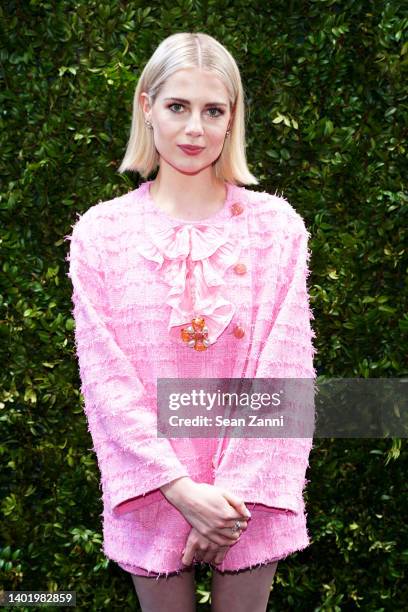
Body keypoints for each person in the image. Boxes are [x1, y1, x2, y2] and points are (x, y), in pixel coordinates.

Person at [65, 31, 316, 612]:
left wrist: (225, 501)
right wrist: (179, 489)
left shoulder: (277, 228)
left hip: (251, 494)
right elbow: (106, 382)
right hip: (149, 488)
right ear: (146, 107)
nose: (194, 129)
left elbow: (284, 372)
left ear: (233, 119)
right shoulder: (101, 235)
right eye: (178, 107)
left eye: (213, 110)